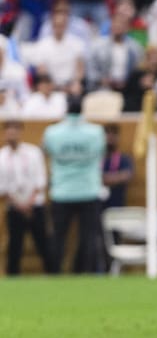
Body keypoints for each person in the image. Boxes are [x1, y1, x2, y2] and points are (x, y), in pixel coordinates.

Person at [43, 99, 106, 274]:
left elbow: (47, 151)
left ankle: (54, 273)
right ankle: (85, 273)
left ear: (66, 110)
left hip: (61, 191)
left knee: (58, 236)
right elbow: (101, 153)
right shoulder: (96, 132)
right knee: (88, 237)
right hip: (89, 190)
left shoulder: (52, 132)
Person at [0, 120, 56, 275]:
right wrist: (18, 204)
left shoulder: (33, 152)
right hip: (14, 206)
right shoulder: (2, 156)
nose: (12, 135)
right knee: (15, 245)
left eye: (15, 131)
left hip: (35, 205)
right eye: (9, 132)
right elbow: (2, 187)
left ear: (20, 133)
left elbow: (41, 180)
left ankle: (53, 274)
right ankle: (13, 277)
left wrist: (29, 203)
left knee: (43, 242)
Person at [101, 124, 133, 209]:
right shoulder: (95, 158)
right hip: (96, 207)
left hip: (117, 206)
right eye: (107, 133)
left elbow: (126, 176)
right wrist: (115, 177)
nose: (110, 137)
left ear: (118, 137)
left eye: (114, 133)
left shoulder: (124, 159)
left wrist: (101, 178)